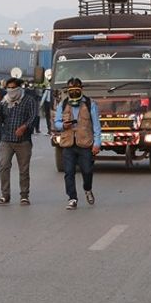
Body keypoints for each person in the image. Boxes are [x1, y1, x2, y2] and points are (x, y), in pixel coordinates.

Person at [53, 78, 101, 210]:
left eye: (76, 89)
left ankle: (87, 189)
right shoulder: (62, 104)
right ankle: (72, 198)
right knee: (69, 172)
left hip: (85, 143)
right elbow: (56, 123)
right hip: (68, 144)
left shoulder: (90, 104)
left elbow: (96, 126)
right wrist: (63, 125)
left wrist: (97, 143)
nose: (73, 92)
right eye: (71, 89)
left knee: (87, 170)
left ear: (81, 89)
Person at [0, 77, 39, 206]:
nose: (11, 90)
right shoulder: (4, 101)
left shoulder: (29, 100)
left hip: (23, 141)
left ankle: (24, 195)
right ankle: (5, 195)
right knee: (4, 166)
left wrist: (24, 127)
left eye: (14, 87)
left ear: (19, 88)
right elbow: (0, 117)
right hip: (6, 139)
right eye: (9, 88)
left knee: (23, 170)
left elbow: (33, 117)